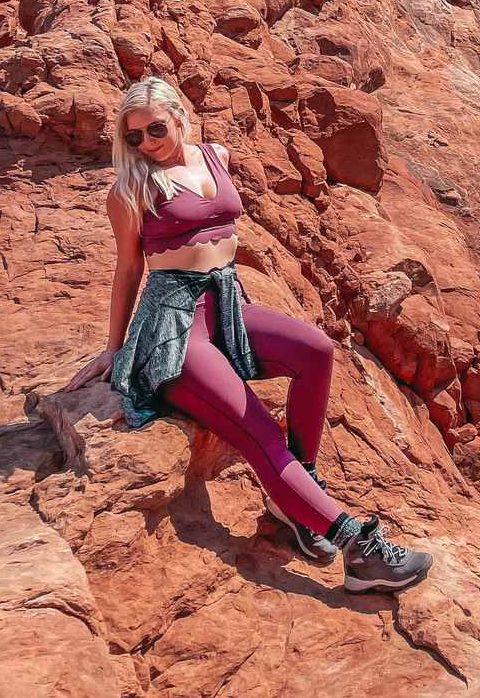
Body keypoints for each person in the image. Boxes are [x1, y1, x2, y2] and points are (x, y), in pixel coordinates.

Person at [64, 75, 431, 593]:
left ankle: (296, 499)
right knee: (257, 429)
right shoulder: (130, 190)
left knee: (317, 351)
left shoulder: (215, 155)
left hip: (227, 303)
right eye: (133, 137)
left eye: (155, 129)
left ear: (178, 117)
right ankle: (358, 550)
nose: (146, 143)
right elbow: (128, 270)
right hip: (175, 326)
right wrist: (114, 348)